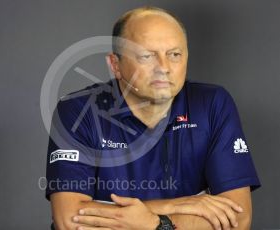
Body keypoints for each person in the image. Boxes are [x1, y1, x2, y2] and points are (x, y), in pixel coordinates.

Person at [45, 6, 260, 230]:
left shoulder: (212, 103)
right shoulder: (77, 111)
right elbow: (69, 221)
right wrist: (174, 207)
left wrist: (155, 223)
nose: (164, 68)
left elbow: (238, 220)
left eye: (174, 54)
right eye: (147, 56)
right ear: (115, 65)